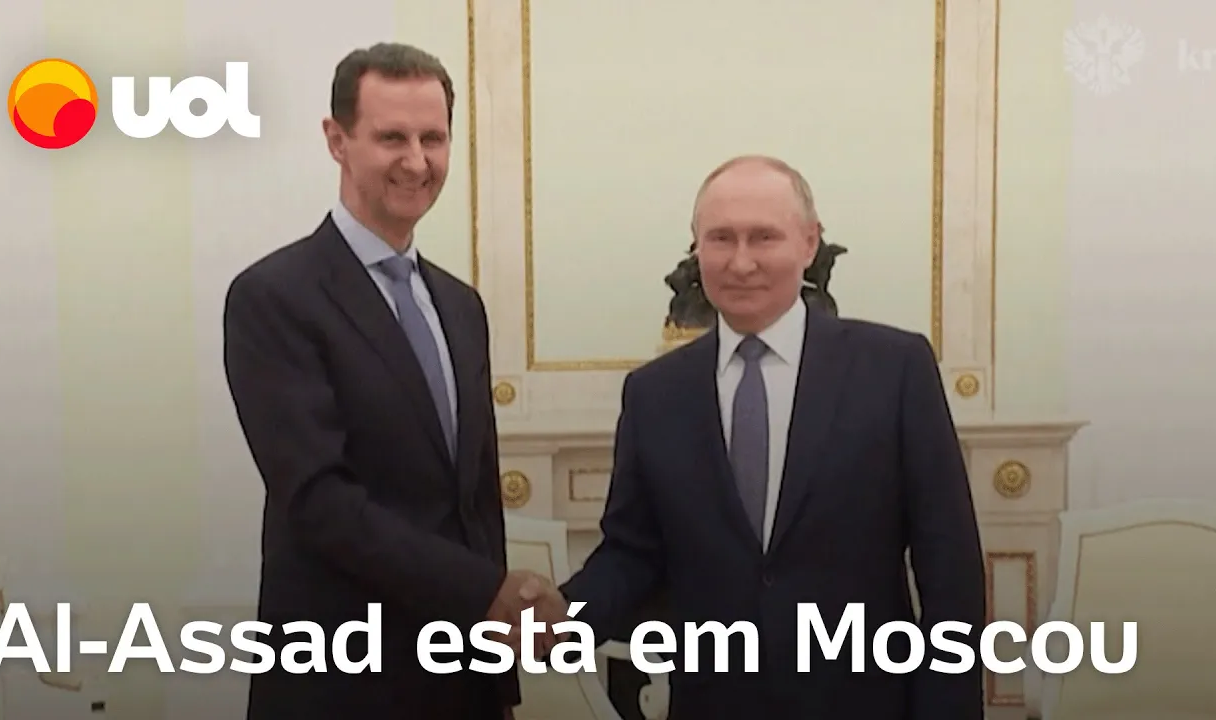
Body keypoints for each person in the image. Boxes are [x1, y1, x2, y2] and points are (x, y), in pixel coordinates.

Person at [535, 156, 986, 718]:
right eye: (721, 238)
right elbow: (632, 554)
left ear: (809, 243)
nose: (741, 262)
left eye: (763, 237)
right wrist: (560, 619)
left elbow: (949, 567)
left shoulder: (894, 370)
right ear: (697, 247)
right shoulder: (654, 394)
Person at [223, 44, 540, 719]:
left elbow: (474, 501)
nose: (417, 162)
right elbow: (319, 501)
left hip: (465, 681)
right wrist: (484, 590)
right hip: (341, 682)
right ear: (336, 140)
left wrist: (498, 673)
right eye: (392, 137)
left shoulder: (461, 307)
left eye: (434, 139)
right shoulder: (273, 298)